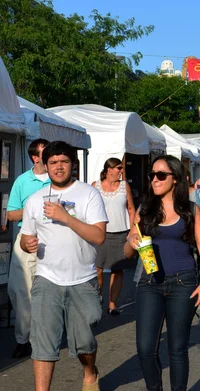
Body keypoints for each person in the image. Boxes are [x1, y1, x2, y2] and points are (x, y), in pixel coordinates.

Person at [20, 141, 108, 391]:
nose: (59, 167)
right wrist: (28, 244)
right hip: (47, 280)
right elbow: (27, 240)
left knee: (84, 342)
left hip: (83, 279)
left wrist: (65, 217)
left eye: (64, 161)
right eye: (53, 162)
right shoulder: (35, 200)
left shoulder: (88, 194)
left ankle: (90, 372)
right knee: (42, 344)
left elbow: (99, 237)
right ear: (45, 166)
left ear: (73, 164)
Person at [124, 155, 200, 391]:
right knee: (145, 349)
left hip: (183, 282)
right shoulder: (144, 208)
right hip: (149, 283)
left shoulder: (190, 209)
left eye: (161, 175)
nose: (154, 179)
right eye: (152, 175)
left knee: (177, 349)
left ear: (174, 179)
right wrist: (132, 239)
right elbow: (128, 249)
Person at [6, 139, 50, 359]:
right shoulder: (23, 181)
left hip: (54, 238)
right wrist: (31, 209)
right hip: (27, 237)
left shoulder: (59, 179)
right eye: (45, 153)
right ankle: (24, 339)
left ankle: (46, 336)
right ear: (35, 157)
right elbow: (11, 214)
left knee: (52, 291)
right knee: (20, 291)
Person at [92, 158, 135, 316]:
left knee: (118, 270)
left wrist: (133, 230)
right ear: (109, 170)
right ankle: (97, 299)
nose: (121, 171)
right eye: (118, 168)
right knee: (97, 269)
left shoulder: (124, 186)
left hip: (121, 232)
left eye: (121, 168)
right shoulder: (95, 186)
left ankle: (112, 303)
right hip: (101, 233)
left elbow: (131, 209)